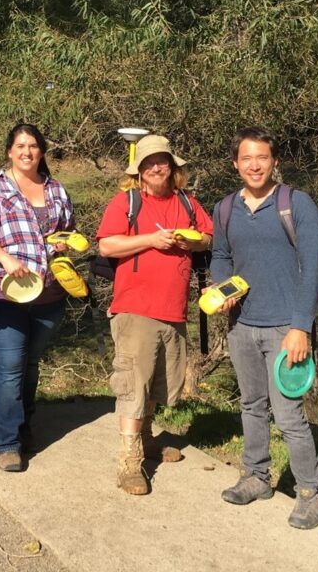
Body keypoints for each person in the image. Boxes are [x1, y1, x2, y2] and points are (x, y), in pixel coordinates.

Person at [209, 126, 318, 530]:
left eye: (262, 157)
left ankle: (310, 493)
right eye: (247, 158)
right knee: (250, 405)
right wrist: (219, 289)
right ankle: (257, 477)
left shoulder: (297, 204)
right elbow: (221, 257)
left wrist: (300, 327)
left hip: (284, 329)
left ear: (275, 162)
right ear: (235, 164)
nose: (254, 165)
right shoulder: (225, 208)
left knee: (289, 415)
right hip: (242, 325)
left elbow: (313, 267)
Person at [95, 134, 213, 495]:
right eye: (149, 163)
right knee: (133, 382)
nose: (157, 167)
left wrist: (190, 241)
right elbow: (107, 244)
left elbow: (208, 237)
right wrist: (151, 240)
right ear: (140, 172)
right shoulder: (126, 202)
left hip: (173, 309)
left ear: (173, 167)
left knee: (159, 380)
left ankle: (147, 439)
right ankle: (128, 464)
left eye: (162, 161)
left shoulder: (187, 202)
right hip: (135, 308)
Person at [0, 123, 76, 472]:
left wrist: (63, 243)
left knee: (30, 363)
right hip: (4, 294)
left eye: (33, 146)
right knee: (11, 365)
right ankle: (7, 442)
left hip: (48, 294)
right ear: (9, 151)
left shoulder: (57, 190)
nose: (27, 152)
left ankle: (23, 424)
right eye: (20, 146)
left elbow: (69, 232)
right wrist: (5, 258)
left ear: (41, 151)